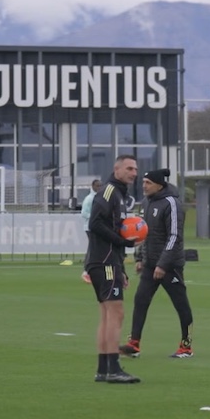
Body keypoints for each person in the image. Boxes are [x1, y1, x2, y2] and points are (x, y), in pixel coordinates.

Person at [121, 168, 195, 360]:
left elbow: (174, 236)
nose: (143, 186)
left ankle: (186, 345)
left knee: (181, 305)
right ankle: (134, 343)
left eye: (148, 183)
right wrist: (140, 258)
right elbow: (141, 232)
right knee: (140, 300)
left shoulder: (172, 203)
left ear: (159, 185)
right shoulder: (146, 202)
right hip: (150, 264)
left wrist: (163, 265)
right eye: (143, 182)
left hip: (170, 266)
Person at [86, 156, 140, 383]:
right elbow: (95, 224)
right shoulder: (109, 192)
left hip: (108, 261)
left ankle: (103, 369)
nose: (134, 172)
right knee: (116, 314)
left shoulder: (119, 195)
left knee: (107, 315)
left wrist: (122, 268)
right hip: (105, 261)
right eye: (129, 168)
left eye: (136, 169)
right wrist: (123, 243)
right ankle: (113, 369)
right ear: (116, 169)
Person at [79, 179, 101, 283]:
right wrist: (94, 218)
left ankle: (91, 270)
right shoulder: (89, 199)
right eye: (97, 185)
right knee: (92, 248)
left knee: (94, 248)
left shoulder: (98, 197)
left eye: (100, 186)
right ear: (92, 186)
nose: (99, 187)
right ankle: (86, 271)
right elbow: (83, 213)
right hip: (90, 227)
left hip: (95, 227)